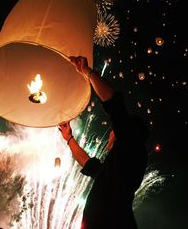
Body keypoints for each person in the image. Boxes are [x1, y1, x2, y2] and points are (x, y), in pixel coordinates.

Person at [58, 56, 149, 229]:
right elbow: (87, 162)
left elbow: (114, 104)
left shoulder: (130, 149)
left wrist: (87, 71)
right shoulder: (116, 169)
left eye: (114, 132)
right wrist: (68, 138)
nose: (110, 134)